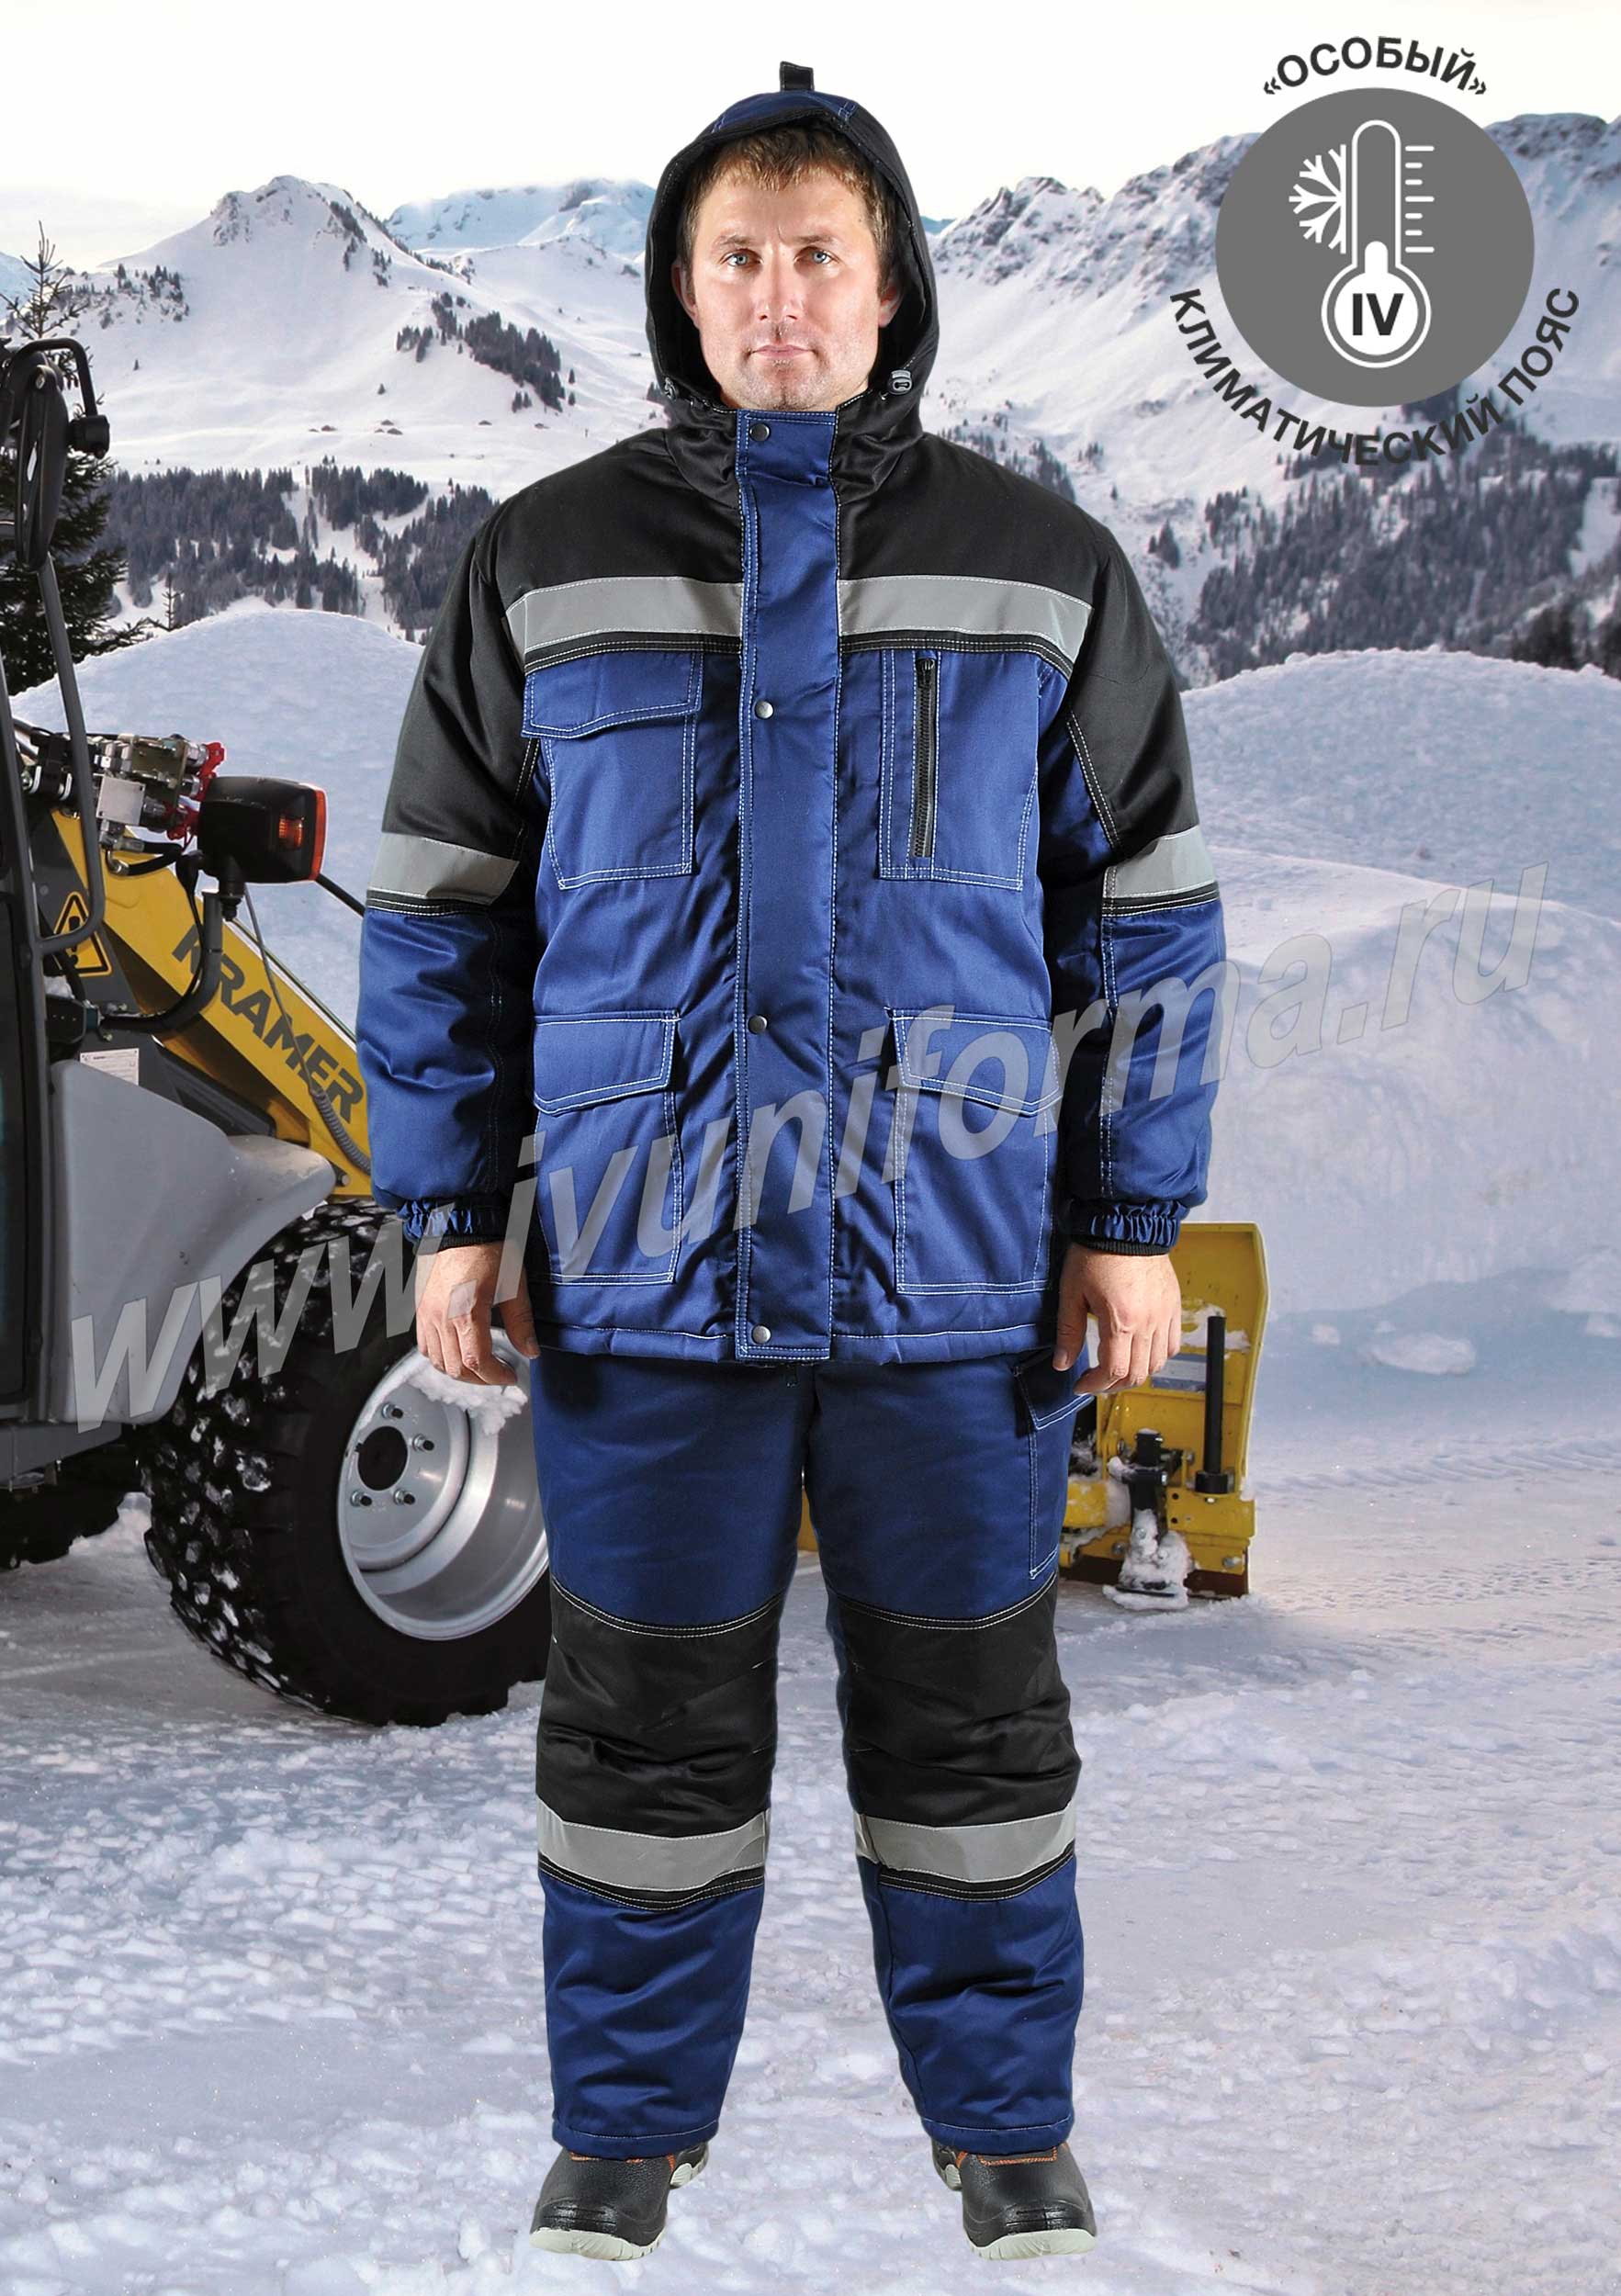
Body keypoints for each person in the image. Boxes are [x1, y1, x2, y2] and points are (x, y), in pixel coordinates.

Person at [355, 62, 1225, 2264]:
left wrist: (1126, 1221)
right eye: (734, 257)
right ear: (680, 286)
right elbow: (444, 918)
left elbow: (1145, 918)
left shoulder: (1042, 566)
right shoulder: (542, 561)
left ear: (889, 282)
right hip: (641, 1272)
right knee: (639, 1737)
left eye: (816, 255)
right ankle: (622, 2135)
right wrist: (450, 1210)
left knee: (974, 1730)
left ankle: (1007, 2138)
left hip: (955, 1272)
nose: (776, 296)